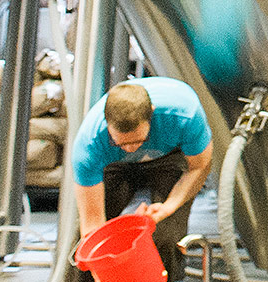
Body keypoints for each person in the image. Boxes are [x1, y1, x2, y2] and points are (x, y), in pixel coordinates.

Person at [72, 77, 214, 281]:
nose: (131, 149)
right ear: (106, 123)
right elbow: (93, 227)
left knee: (165, 236)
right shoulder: (89, 145)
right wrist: (101, 270)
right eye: (122, 143)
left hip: (168, 158)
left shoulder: (183, 115)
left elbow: (199, 167)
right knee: (90, 246)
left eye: (138, 140)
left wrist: (168, 207)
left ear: (152, 115)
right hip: (115, 164)